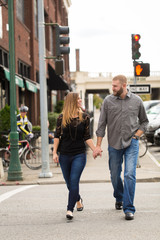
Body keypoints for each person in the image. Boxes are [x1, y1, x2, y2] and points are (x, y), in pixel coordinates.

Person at [93, 75, 149, 220]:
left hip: (132, 143)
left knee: (129, 174)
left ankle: (129, 208)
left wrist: (137, 135)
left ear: (124, 86)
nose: (113, 88)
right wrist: (98, 146)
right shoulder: (108, 101)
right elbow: (101, 125)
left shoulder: (137, 101)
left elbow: (144, 122)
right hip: (114, 144)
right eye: (112, 86)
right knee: (114, 174)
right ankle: (119, 196)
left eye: (115, 86)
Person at [53, 92, 96, 220]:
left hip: (79, 154)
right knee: (69, 183)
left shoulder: (85, 117)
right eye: (78, 99)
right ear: (72, 101)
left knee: (74, 180)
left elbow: (87, 137)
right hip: (64, 154)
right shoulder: (61, 118)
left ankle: (69, 209)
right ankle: (77, 198)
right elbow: (57, 136)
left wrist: (95, 149)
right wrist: (55, 152)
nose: (80, 100)